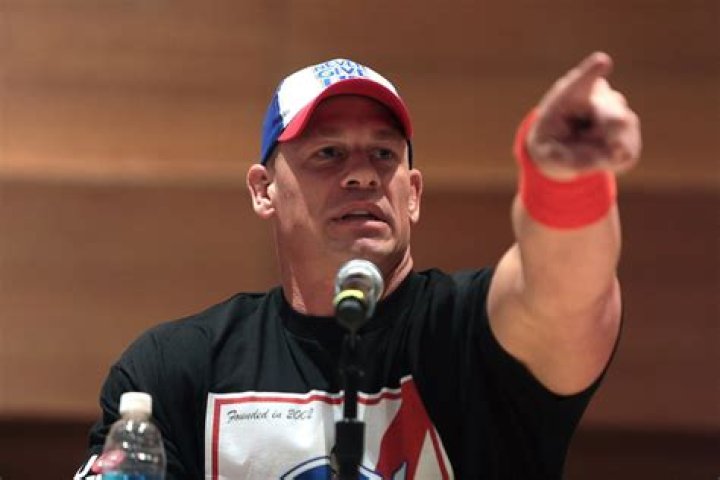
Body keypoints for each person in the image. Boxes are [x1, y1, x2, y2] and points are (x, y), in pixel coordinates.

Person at [75, 53, 641, 479]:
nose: (364, 174)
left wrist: (566, 184)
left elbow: (566, 292)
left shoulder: (469, 334)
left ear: (412, 194)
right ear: (264, 190)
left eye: (384, 154)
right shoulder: (175, 371)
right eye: (328, 152)